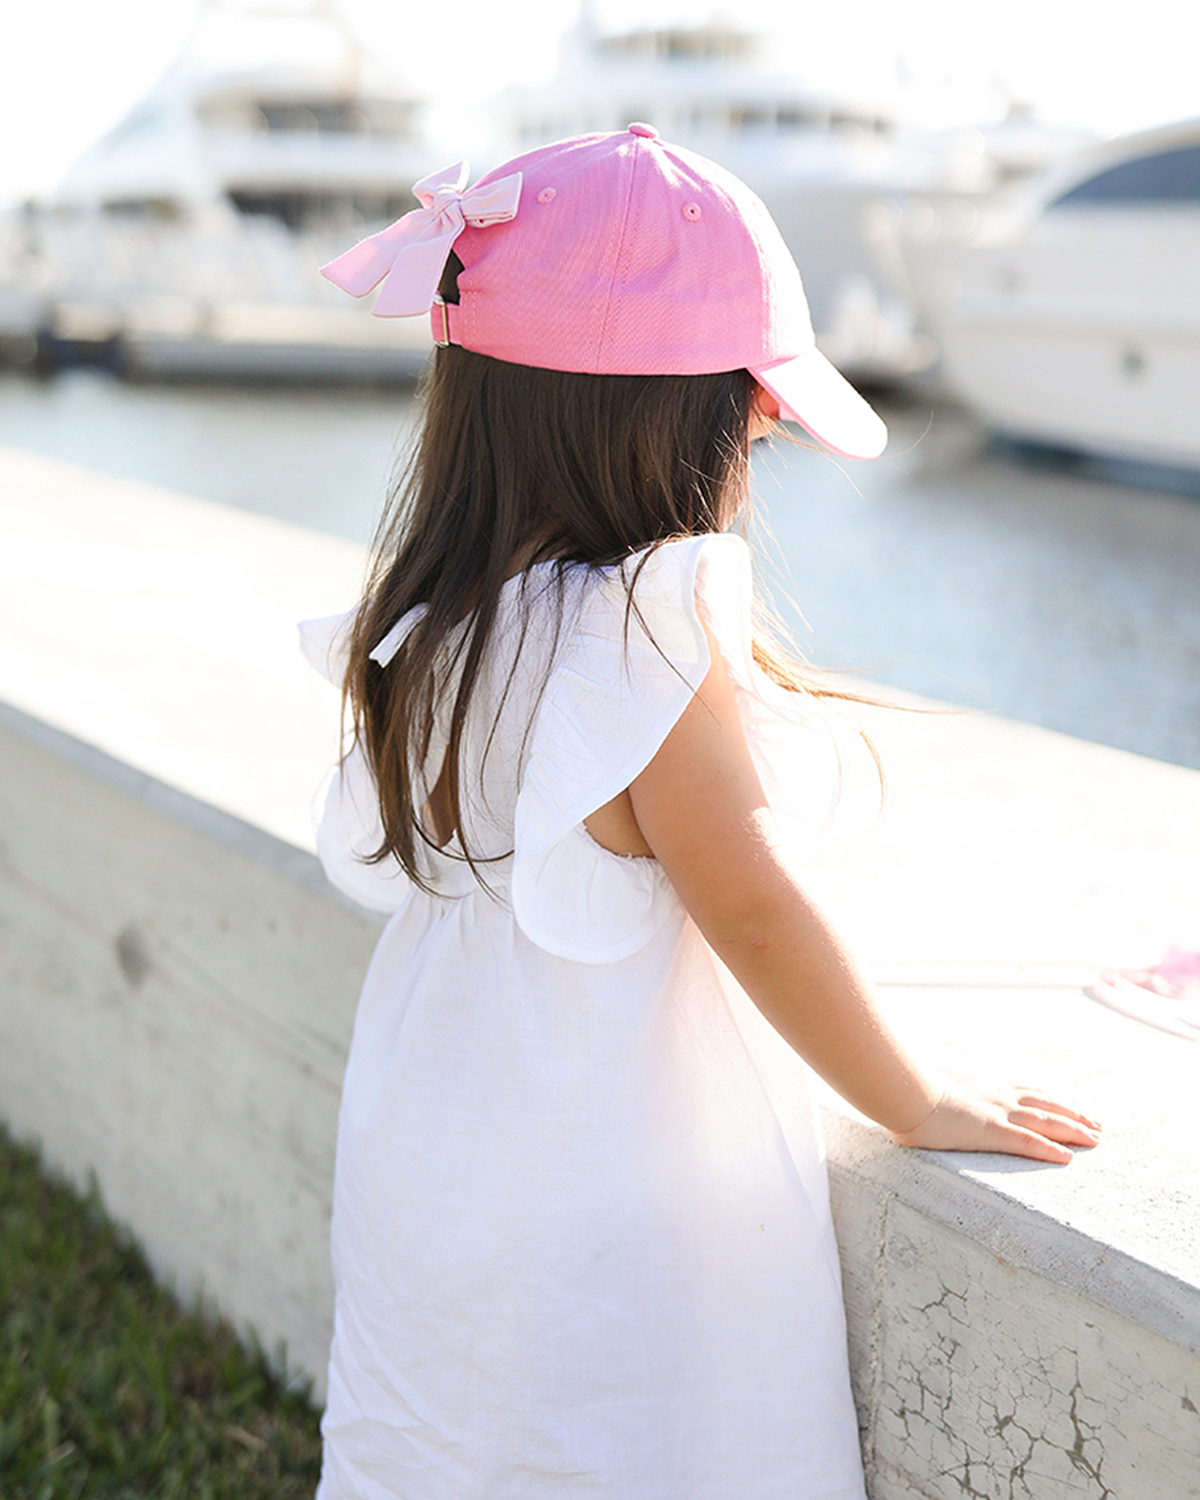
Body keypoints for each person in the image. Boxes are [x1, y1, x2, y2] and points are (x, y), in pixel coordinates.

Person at [301, 127, 1100, 1500]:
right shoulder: (638, 643)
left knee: (452, 1441)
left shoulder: (434, 629)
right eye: (752, 399)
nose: (768, 428)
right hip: (600, 1200)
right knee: (623, 1448)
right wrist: (912, 1094)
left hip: (438, 1160)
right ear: (673, 422)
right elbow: (752, 904)